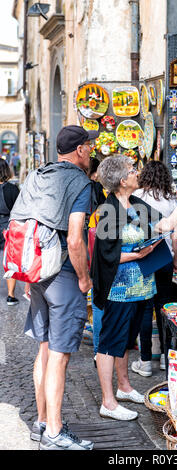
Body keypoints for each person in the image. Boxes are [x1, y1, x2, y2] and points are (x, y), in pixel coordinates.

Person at [10, 125, 99, 450]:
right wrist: (84, 278)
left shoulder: (37, 175)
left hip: (36, 272)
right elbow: (75, 238)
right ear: (79, 150)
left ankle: (42, 421)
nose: (91, 150)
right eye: (88, 146)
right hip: (62, 273)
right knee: (60, 356)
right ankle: (55, 433)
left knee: (45, 349)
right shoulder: (79, 183)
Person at [91, 155, 177, 421]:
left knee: (125, 341)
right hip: (119, 290)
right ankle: (108, 402)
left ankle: (123, 388)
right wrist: (136, 254)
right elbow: (104, 256)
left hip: (142, 287)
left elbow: (167, 226)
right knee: (110, 343)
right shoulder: (107, 210)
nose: (138, 173)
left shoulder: (137, 204)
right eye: (133, 170)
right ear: (123, 180)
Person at [130, 160, 177, 376]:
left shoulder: (137, 196)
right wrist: (175, 258)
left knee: (144, 309)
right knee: (164, 308)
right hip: (165, 260)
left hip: (145, 259)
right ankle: (166, 359)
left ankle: (145, 362)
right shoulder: (171, 199)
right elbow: (176, 235)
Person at [87, 155, 106, 366]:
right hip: (99, 253)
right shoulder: (98, 191)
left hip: (88, 252)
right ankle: (102, 350)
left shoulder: (82, 188)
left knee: (97, 303)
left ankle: (98, 351)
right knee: (101, 304)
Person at [0, 158, 20, 305]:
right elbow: (19, 210)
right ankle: (11, 295)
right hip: (8, 227)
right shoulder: (12, 189)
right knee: (10, 261)